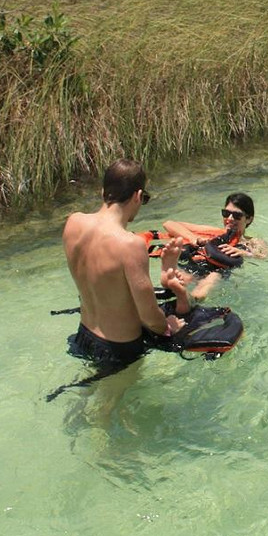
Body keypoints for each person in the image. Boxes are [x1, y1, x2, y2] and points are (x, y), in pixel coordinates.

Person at [60, 159, 189, 383]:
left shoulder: (73, 222)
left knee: (83, 399)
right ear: (138, 196)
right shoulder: (130, 245)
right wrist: (168, 326)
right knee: (108, 411)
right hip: (118, 348)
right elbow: (148, 314)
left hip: (85, 334)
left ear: (103, 192)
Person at [163, 192, 268, 300]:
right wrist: (194, 238)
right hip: (196, 264)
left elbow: (263, 256)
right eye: (226, 213)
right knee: (180, 279)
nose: (230, 218)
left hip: (219, 271)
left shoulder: (252, 241)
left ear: (249, 219)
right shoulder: (212, 232)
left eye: (237, 215)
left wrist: (243, 252)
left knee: (212, 278)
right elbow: (168, 224)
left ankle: (192, 301)